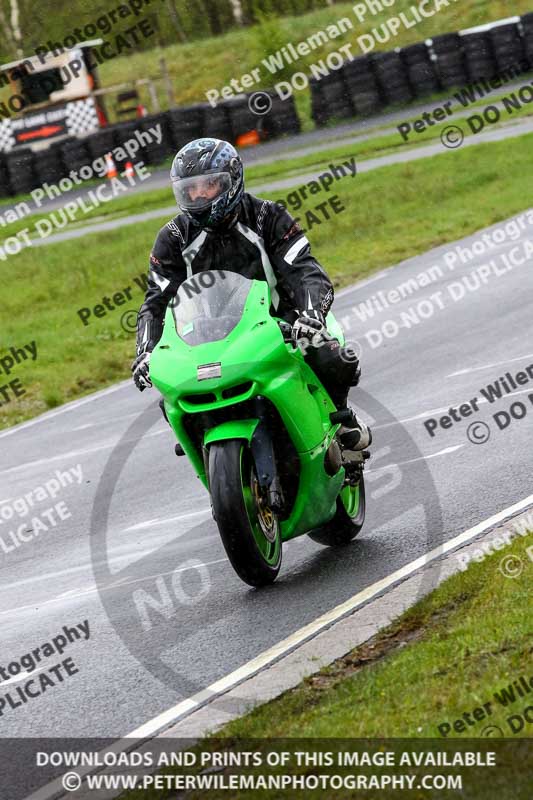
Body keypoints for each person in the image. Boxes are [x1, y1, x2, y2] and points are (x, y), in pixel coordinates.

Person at [132, 137, 371, 451]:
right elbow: (157, 301)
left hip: (280, 324)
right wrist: (146, 351)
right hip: (207, 337)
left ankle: (341, 418)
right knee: (171, 391)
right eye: (191, 189)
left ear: (231, 181)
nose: (199, 195)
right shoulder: (173, 238)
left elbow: (303, 270)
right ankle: (201, 445)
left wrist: (311, 315)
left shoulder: (268, 217)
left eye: (208, 186)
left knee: (329, 356)